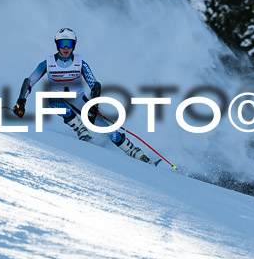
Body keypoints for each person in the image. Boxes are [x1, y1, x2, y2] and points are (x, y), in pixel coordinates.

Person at [12, 28, 151, 163]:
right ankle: (80, 129)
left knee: (104, 126)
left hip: (78, 98)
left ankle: (134, 152)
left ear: (74, 45)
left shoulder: (80, 63)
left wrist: (94, 103)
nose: (66, 48)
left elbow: (94, 84)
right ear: (57, 45)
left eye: (70, 44)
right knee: (54, 101)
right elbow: (29, 81)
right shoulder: (48, 63)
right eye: (62, 44)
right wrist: (21, 101)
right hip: (57, 98)